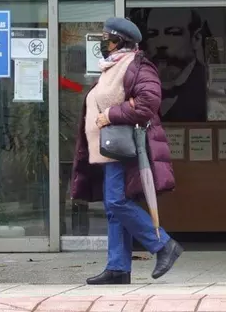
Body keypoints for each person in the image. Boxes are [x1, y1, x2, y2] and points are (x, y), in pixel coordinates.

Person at [71, 17, 182, 285]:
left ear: (121, 41)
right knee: (113, 208)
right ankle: (118, 268)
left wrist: (110, 114)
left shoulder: (138, 66)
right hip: (107, 149)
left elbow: (148, 102)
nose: (103, 43)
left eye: (107, 39)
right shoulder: (112, 66)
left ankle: (163, 244)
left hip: (124, 148)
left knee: (117, 201)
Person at [135, 8, 209, 122]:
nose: (160, 43)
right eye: (152, 34)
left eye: (173, 33)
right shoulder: (137, 83)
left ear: (196, 39)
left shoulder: (208, 85)